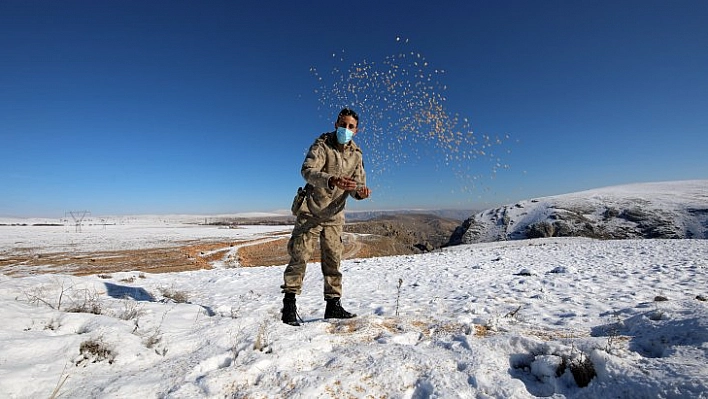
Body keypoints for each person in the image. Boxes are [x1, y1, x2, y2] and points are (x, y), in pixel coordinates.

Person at [280, 108, 372, 326]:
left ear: (356, 130)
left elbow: (357, 186)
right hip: (311, 211)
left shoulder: (356, 155)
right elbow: (307, 170)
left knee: (333, 260)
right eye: (343, 125)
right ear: (336, 124)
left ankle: (333, 305)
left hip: (334, 215)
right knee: (299, 257)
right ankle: (289, 306)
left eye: (350, 127)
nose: (346, 129)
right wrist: (332, 180)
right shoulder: (322, 145)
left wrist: (360, 192)